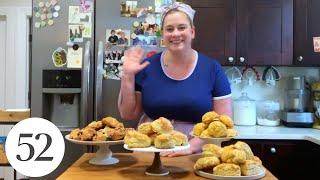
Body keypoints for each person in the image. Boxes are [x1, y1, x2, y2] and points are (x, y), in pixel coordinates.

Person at [118, 2, 232, 157]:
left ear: (192, 32)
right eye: (169, 29)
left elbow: (224, 123)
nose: (175, 33)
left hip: (194, 153)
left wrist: (190, 147)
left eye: (182, 27)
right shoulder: (147, 66)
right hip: (150, 150)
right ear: (163, 34)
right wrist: (127, 76)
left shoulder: (212, 68)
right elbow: (128, 114)